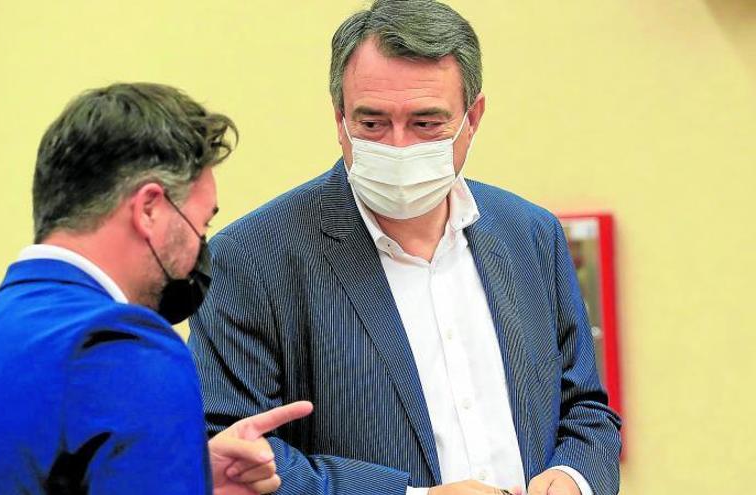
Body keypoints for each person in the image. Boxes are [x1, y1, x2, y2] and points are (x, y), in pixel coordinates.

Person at [188, 1, 621, 495]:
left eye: (426, 124)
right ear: (339, 116)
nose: (397, 147)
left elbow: (586, 408)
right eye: (371, 124)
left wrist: (574, 477)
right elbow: (229, 450)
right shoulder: (250, 259)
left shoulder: (531, 234)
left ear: (473, 117)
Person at [0, 82, 312, 494]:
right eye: (201, 224)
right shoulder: (125, 348)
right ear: (149, 209)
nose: (199, 247)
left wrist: (188, 473)